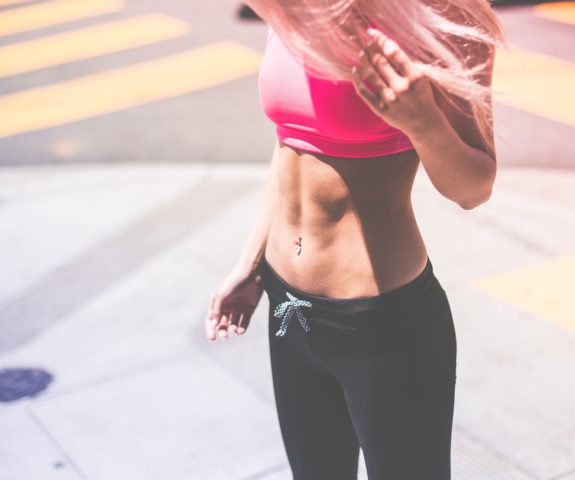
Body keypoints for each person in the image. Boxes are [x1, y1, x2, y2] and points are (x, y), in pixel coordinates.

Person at [205, 1, 507, 478]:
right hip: (288, 308)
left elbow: (474, 189)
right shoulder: (294, 8)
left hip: (381, 324)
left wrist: (422, 121)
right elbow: (289, 144)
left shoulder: (446, 16)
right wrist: (252, 260)